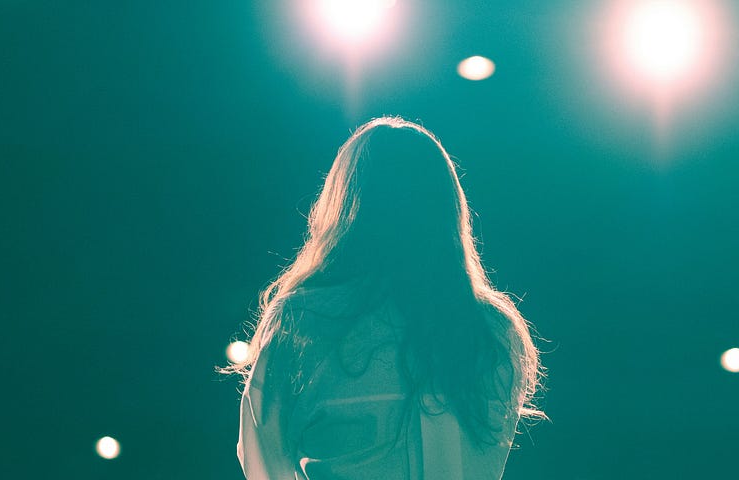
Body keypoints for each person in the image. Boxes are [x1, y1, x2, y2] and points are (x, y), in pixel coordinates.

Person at [229, 117, 544, 479]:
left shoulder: (305, 319)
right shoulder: (495, 332)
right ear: (446, 207)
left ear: (346, 203)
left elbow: (263, 460)